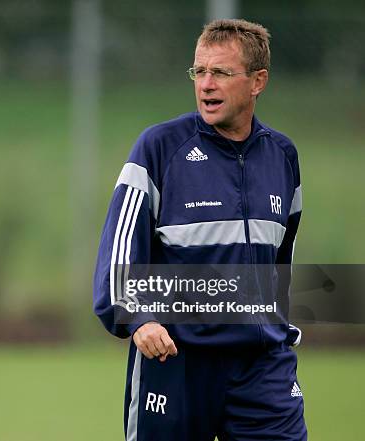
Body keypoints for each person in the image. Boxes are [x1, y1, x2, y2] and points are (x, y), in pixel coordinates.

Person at [93, 19, 306, 440]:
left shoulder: (282, 156)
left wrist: (279, 324)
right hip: (176, 362)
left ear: (258, 81)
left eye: (221, 73)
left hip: (262, 366)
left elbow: (281, 260)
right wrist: (141, 318)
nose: (206, 84)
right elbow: (118, 255)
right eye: (199, 71)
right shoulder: (158, 149)